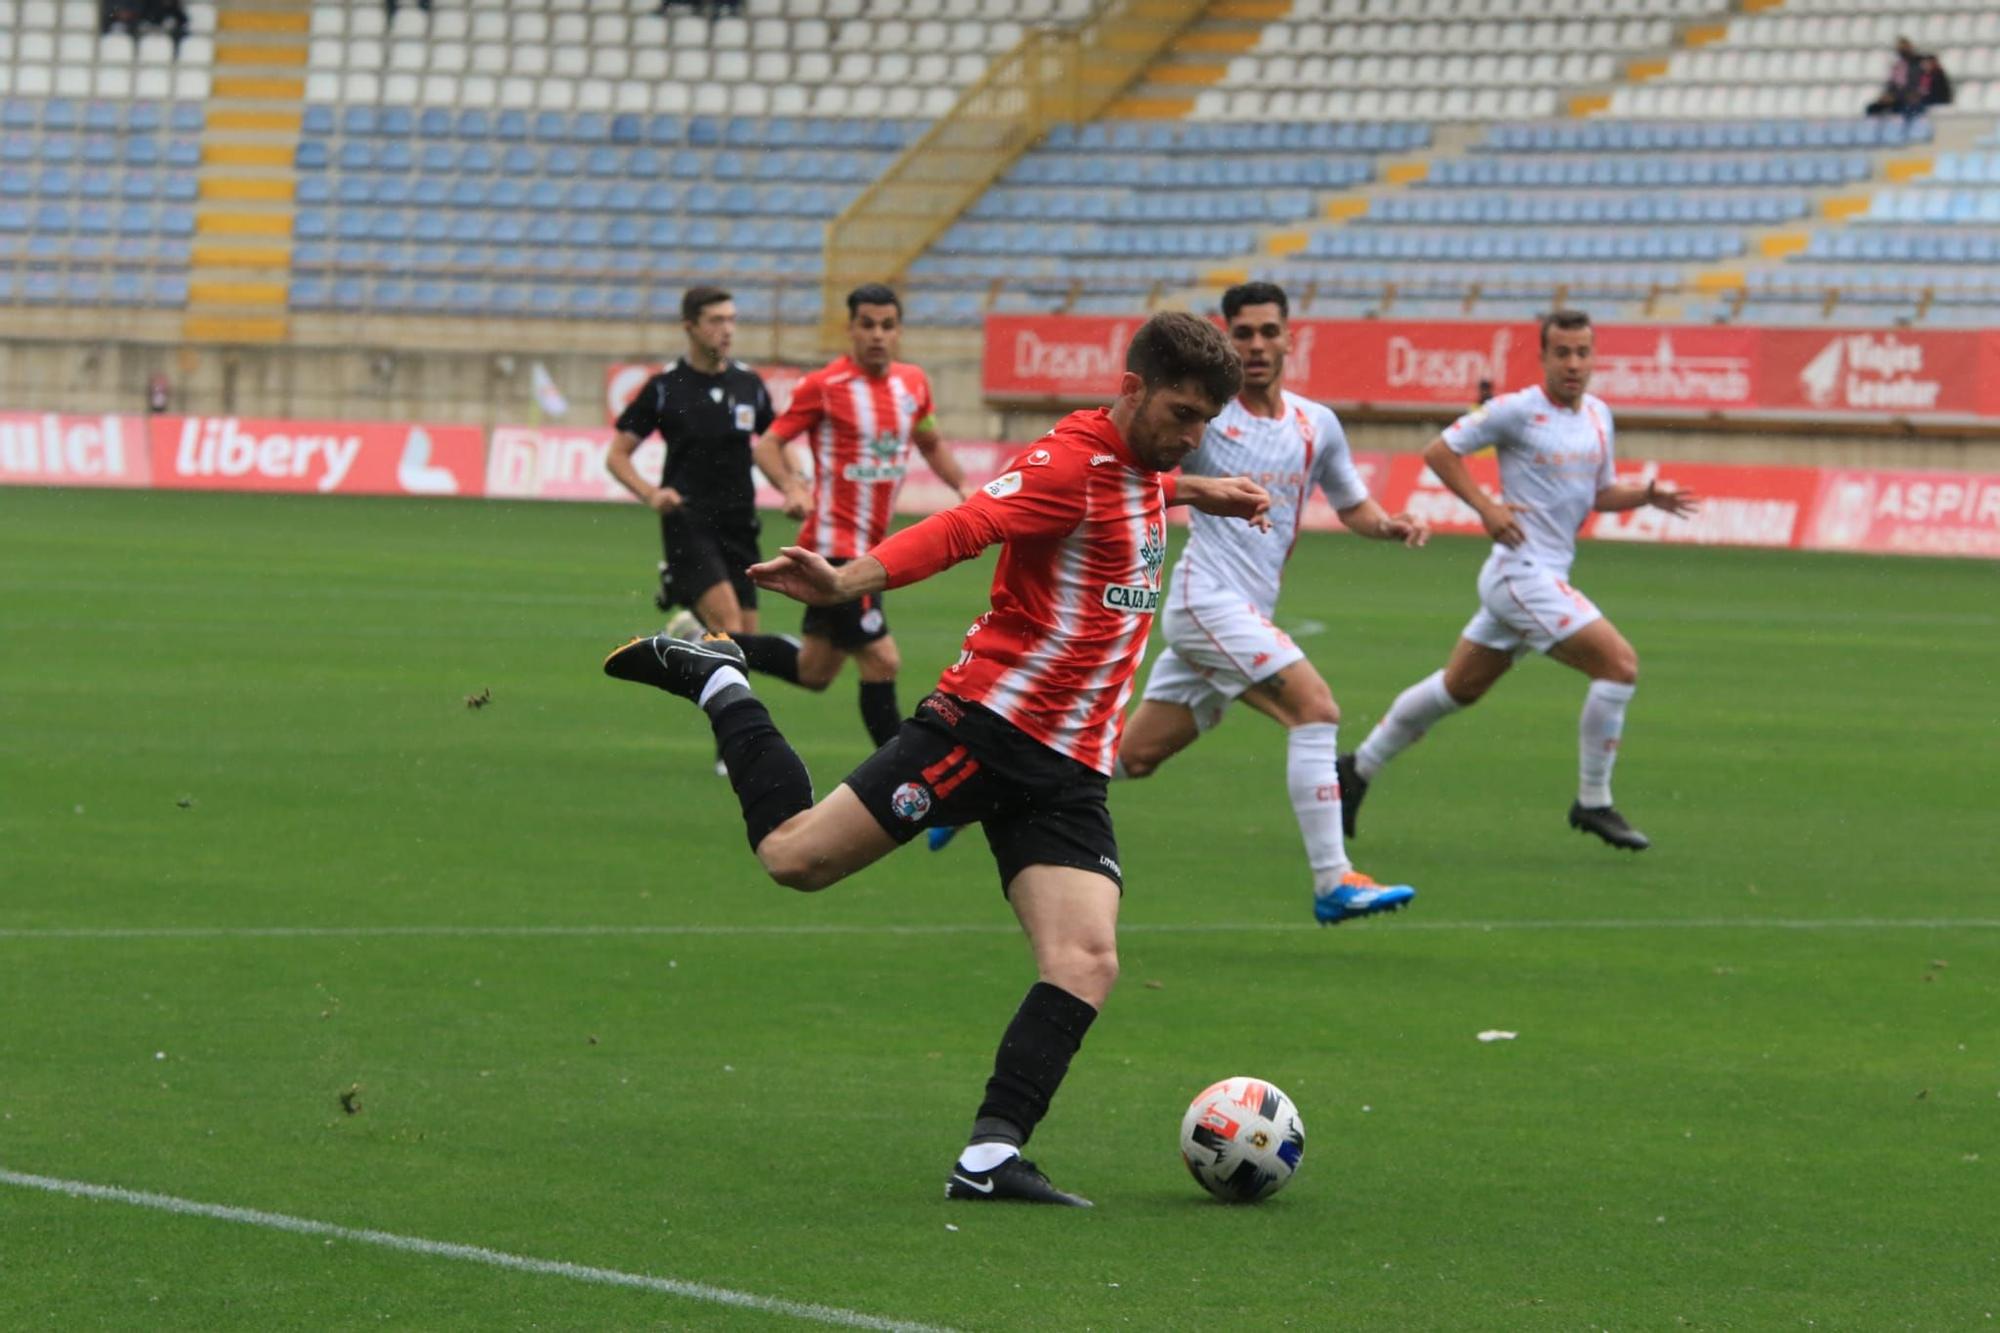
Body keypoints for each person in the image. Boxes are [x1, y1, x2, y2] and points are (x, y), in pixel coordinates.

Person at [603, 312, 1270, 1206]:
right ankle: (721, 681)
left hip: (1069, 765)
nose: (1192, 436)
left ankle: (990, 1156)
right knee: (794, 858)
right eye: (1181, 415)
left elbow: (1137, 477)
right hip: (987, 730)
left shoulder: (1145, 465)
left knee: (1084, 959)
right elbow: (967, 523)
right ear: (1132, 390)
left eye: (1205, 424)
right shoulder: (1068, 464)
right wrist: (851, 578)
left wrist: (1196, 489)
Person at [1106, 282, 1430, 925]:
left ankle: (989, 791)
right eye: (1244, 334)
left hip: (1246, 612)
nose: (1257, 345)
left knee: (1128, 758)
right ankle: (1334, 880)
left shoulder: (1317, 425)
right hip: (1207, 600)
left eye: (1268, 332)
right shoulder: (1205, 415)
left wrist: (1388, 524)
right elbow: (1133, 475)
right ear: (1227, 340)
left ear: (1289, 338)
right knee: (1315, 709)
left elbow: (1351, 504)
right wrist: (1202, 489)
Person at [1339, 310, 1700, 852]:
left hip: (1540, 576)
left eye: (1583, 352)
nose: (1573, 364)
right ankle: (1593, 800)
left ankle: (1356, 769)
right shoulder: (1515, 411)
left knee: (1457, 688)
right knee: (1619, 666)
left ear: (1593, 357)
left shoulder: (1599, 415)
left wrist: (1645, 495)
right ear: (1544, 357)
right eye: (1562, 353)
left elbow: (1598, 493)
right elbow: (1439, 451)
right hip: (1520, 573)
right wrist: (1485, 506)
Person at [731, 283, 977, 750]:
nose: (878, 335)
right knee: (882, 659)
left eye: (887, 326)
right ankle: (896, 776)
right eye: (867, 325)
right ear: (851, 329)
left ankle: (708, 642)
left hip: (871, 544)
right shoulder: (824, 387)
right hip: (833, 548)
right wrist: (791, 486)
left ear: (899, 331)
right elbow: (768, 445)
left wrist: (963, 486)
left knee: (815, 670)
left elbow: (929, 441)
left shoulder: (913, 384)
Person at [605, 286, 776, 639]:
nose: (727, 329)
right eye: (716, 320)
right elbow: (616, 455)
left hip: (740, 521)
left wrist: (795, 484)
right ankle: (688, 610)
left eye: (731, 320)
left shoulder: (749, 384)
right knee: (728, 629)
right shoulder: (666, 387)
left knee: (746, 642)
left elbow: (777, 440)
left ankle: (689, 633)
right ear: (690, 327)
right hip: (690, 520)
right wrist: (651, 494)